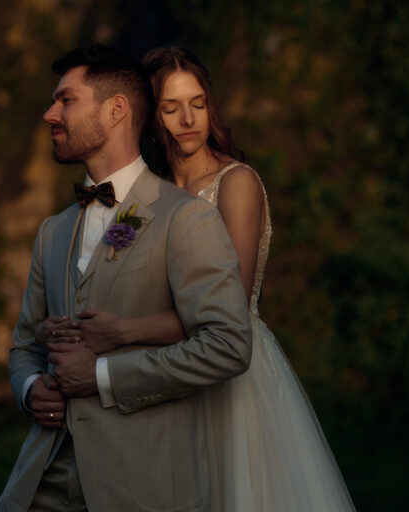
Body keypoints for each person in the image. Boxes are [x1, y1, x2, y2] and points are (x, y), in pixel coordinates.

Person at [41, 47, 356, 511]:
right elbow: (116, 280)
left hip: (231, 378)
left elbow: (232, 306)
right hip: (163, 372)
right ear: (151, 117)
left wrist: (121, 331)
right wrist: (71, 326)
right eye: (171, 108)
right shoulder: (143, 201)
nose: (188, 119)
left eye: (198, 103)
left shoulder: (236, 183)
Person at [0, 45, 252, 512]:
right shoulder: (52, 232)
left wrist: (100, 376)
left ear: (116, 110)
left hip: (143, 483)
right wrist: (32, 389)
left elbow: (228, 345)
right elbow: (23, 347)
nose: (51, 113)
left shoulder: (185, 219)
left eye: (66, 100)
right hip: (40, 483)